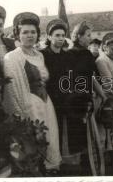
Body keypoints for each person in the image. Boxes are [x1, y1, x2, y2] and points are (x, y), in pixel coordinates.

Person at [2, 12, 61, 173]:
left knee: (49, 139)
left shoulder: (40, 55)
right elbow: (12, 90)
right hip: (28, 105)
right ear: (17, 35)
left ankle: (49, 169)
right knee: (32, 143)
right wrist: (21, 115)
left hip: (45, 103)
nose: (30, 35)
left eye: (33, 32)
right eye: (25, 32)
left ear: (38, 34)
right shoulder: (12, 58)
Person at [63, 21, 107, 175]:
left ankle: (91, 167)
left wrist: (102, 95)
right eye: (88, 35)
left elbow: (92, 77)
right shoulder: (69, 54)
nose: (90, 38)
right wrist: (80, 97)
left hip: (88, 97)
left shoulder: (87, 54)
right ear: (79, 36)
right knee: (79, 134)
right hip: (75, 100)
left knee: (90, 134)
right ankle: (81, 170)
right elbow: (69, 79)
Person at [41, 18, 69, 156]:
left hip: (64, 96)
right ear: (49, 36)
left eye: (63, 35)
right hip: (49, 97)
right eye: (57, 35)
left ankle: (61, 157)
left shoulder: (66, 55)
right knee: (51, 128)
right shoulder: (43, 54)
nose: (61, 38)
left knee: (62, 129)